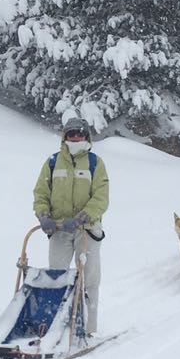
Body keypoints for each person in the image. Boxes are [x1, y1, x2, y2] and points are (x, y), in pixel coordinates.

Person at [32, 118, 110, 335]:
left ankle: (89, 330)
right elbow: (41, 193)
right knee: (56, 277)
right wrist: (43, 216)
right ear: (64, 137)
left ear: (87, 137)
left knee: (89, 278)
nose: (76, 138)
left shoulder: (95, 163)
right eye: (71, 134)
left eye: (80, 134)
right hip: (58, 229)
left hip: (87, 229)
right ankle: (57, 328)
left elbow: (101, 198)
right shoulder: (53, 162)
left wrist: (81, 217)